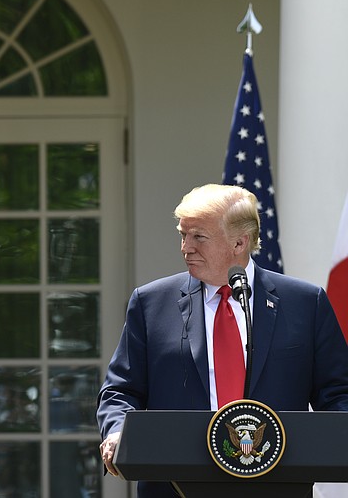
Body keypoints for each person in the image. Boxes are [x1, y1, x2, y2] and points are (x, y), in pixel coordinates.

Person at [97, 184, 348, 497]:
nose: (185, 248)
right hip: (175, 487)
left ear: (239, 243)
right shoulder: (150, 304)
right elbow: (120, 389)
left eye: (198, 236)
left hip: (277, 484)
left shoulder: (305, 303)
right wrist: (119, 432)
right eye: (183, 235)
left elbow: (338, 392)